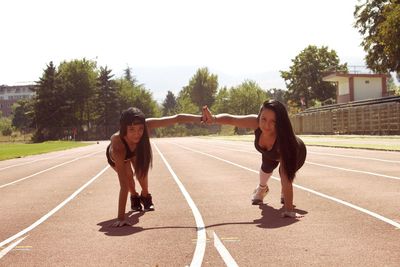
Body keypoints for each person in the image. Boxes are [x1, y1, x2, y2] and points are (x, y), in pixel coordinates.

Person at [202, 100, 307, 218]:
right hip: (271, 153)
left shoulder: (285, 144)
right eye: (264, 119)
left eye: (273, 121)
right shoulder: (255, 122)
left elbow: (286, 177)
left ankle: (284, 194)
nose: (267, 125)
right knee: (266, 166)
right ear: (259, 116)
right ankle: (262, 189)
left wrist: (289, 210)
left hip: (296, 153)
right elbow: (232, 119)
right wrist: (214, 119)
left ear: (280, 123)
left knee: (284, 175)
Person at [106, 107, 205, 227]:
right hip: (118, 155)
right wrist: (121, 218)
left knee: (141, 172)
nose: (137, 134)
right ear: (123, 129)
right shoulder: (118, 146)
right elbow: (123, 185)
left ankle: (145, 196)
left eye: (140, 129)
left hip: (134, 150)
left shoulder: (146, 125)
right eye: (131, 129)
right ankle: (134, 196)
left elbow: (177, 118)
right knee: (128, 178)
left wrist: (201, 118)